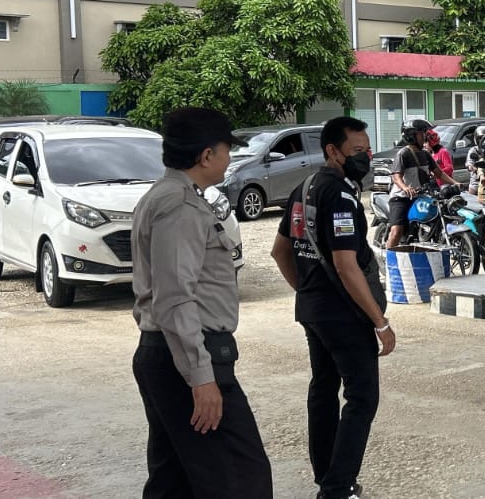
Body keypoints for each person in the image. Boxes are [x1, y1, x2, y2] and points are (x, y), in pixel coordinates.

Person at [132, 106, 273, 499]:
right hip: (188, 357)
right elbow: (175, 298)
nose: (229, 159)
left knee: (175, 481)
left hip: (169, 354)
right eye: (226, 150)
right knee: (242, 479)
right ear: (206, 155)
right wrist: (201, 376)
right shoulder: (179, 205)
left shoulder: (167, 196)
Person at [271, 116, 393, 499]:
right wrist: (380, 322)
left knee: (323, 390)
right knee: (362, 397)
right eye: (357, 151)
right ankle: (338, 488)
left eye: (367, 150)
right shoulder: (339, 195)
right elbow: (345, 264)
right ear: (332, 151)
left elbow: (279, 251)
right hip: (344, 315)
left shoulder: (303, 188)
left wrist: (308, 291)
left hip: (314, 311)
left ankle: (327, 477)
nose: (365, 157)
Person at [387, 119, 456, 249]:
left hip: (420, 197)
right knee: (397, 231)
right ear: (410, 135)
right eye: (421, 133)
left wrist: (456, 183)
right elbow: (396, 177)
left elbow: (439, 173)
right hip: (401, 198)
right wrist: (405, 188)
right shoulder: (403, 154)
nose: (424, 136)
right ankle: (388, 257)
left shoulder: (425, 154)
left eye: (424, 133)